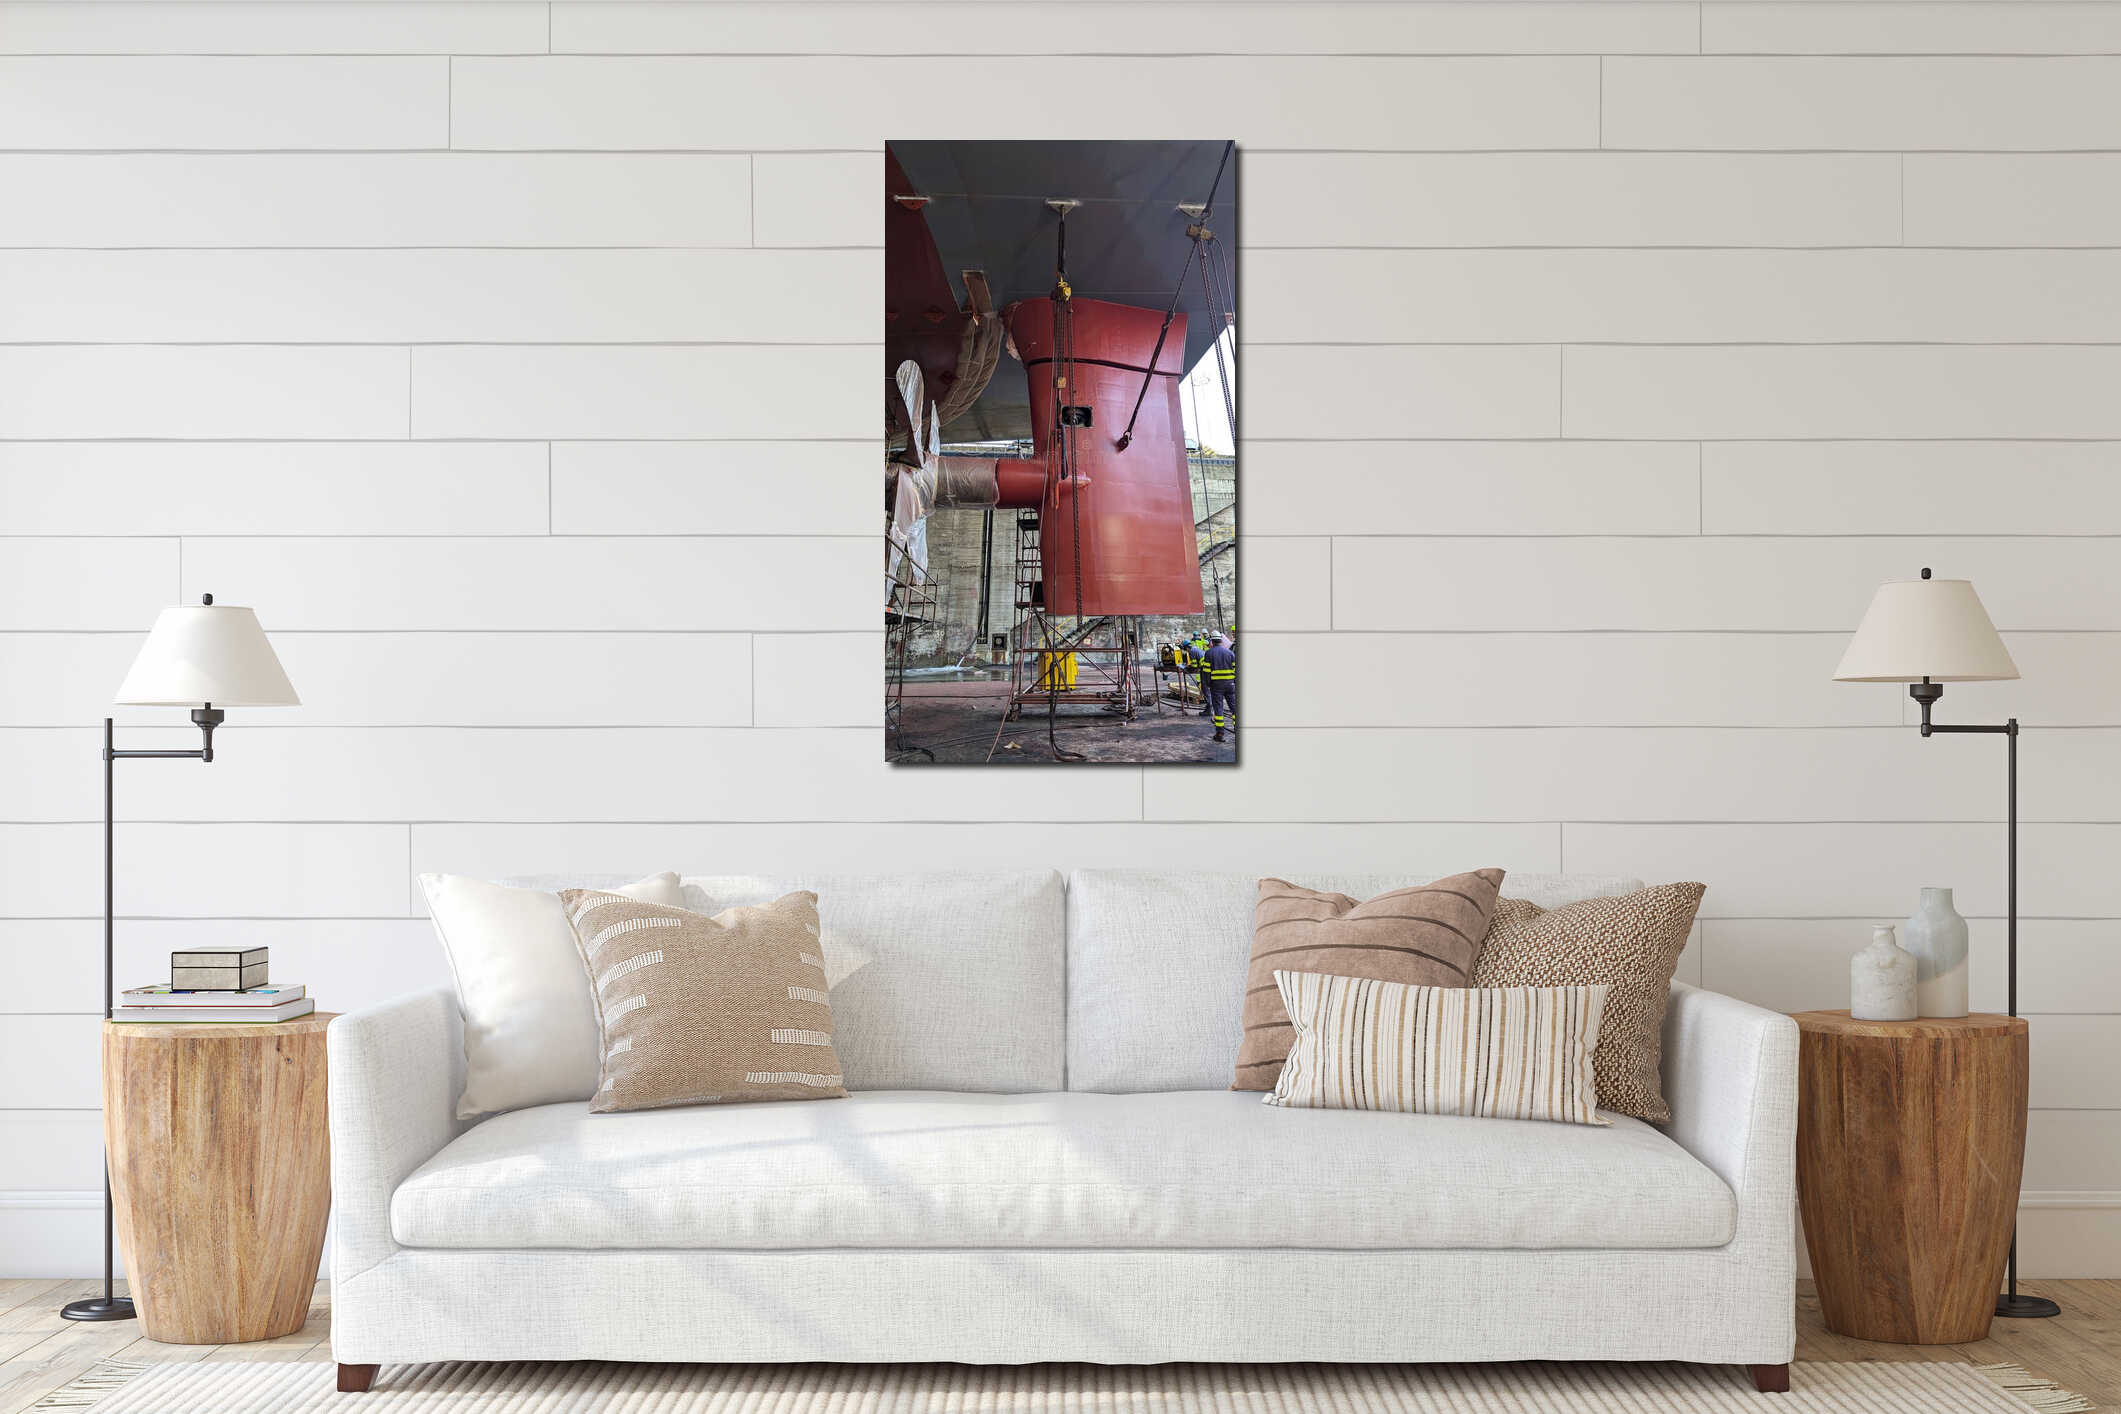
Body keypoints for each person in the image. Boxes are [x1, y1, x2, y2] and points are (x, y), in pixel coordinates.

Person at [1203, 631, 1237, 743]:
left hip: (1216, 686)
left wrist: (1208, 684)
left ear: (1212, 641)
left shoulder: (1208, 653)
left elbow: (1207, 671)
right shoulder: (1230, 653)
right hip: (1230, 684)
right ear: (1221, 640)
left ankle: (1220, 733)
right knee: (1234, 707)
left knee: (1219, 709)